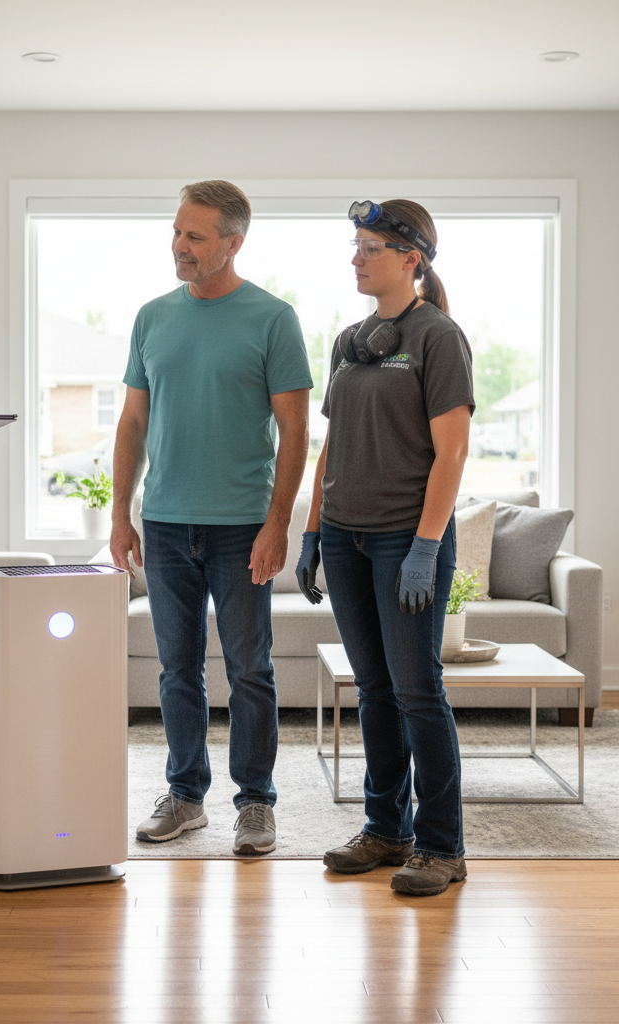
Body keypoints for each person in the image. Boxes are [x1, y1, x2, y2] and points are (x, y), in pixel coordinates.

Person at [111, 180, 313, 856]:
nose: (179, 245)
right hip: (165, 524)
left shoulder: (273, 319)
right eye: (177, 231)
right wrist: (121, 513)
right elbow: (133, 422)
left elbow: (295, 430)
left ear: (233, 243)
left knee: (250, 669)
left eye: (194, 236)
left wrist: (278, 523)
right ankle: (185, 795)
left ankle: (255, 803)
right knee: (177, 669)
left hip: (241, 527)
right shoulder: (151, 318)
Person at [297, 199, 473, 896]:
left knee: (417, 691)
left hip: (406, 537)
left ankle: (442, 846)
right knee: (372, 690)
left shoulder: (438, 336)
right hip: (345, 536)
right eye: (356, 246)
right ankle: (385, 828)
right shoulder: (350, 339)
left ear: (412, 259)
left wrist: (426, 547)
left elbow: (452, 452)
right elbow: (331, 444)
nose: (357, 259)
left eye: (371, 248)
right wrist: (313, 531)